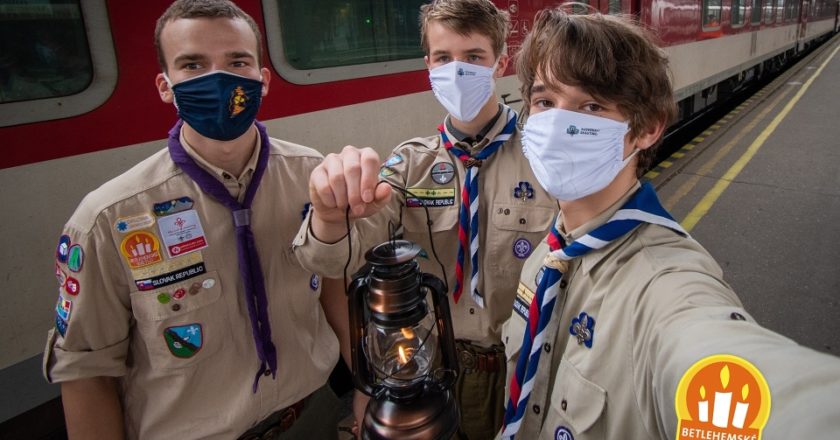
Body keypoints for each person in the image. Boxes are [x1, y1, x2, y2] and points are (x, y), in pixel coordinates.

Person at [499, 7, 840, 440]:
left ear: (647, 128)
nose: (558, 123)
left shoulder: (665, 286)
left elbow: (712, 352)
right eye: (545, 102)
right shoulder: (550, 253)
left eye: (590, 105)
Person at [42, 1, 342, 439]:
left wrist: (368, 386)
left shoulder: (310, 175)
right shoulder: (108, 217)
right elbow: (86, 370)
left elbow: (332, 285)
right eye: (193, 64)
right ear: (165, 85)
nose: (218, 80)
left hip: (310, 415)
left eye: (237, 61)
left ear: (263, 79)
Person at [292, 0, 557, 438]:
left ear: (500, 62)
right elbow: (333, 263)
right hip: (434, 370)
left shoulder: (544, 159)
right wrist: (329, 215)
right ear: (427, 67)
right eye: (443, 58)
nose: (457, 71)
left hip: (523, 366)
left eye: (473, 57)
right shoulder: (409, 166)